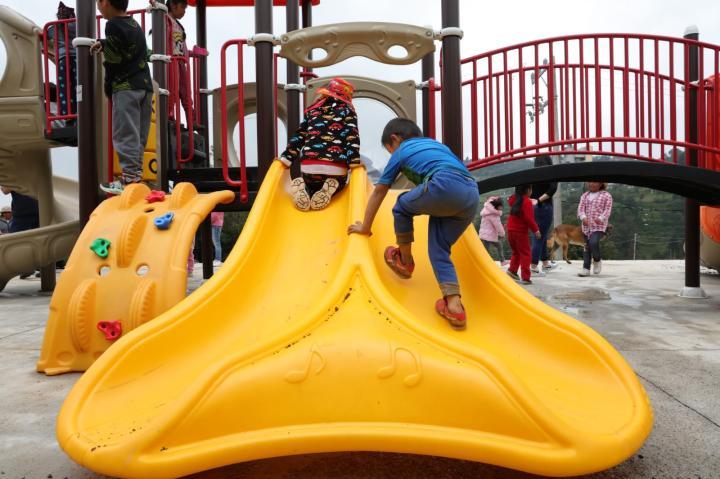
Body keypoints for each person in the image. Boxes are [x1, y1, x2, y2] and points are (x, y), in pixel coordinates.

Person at [347, 118, 480, 331]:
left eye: (390, 150)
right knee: (439, 250)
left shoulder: (402, 150)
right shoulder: (438, 146)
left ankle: (405, 260)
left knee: (401, 206)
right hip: (471, 194)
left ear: (395, 139)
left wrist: (365, 226)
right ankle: (454, 307)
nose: (392, 154)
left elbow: (380, 190)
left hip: (443, 185)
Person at [92, 0, 154, 195]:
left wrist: (108, 85)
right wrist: (104, 43)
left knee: (125, 132)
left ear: (106, 3)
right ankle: (136, 175)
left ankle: (129, 178)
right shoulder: (134, 24)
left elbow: (113, 61)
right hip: (145, 86)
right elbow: (134, 50)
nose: (97, 6)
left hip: (125, 87)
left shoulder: (111, 25)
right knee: (139, 134)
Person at [277, 78, 359, 211]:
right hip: (336, 168)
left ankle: (306, 189)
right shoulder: (347, 111)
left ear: (325, 93)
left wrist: (286, 160)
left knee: (312, 183)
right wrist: (354, 163)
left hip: (309, 166)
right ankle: (331, 189)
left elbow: (299, 136)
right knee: (340, 182)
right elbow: (352, 138)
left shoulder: (312, 111)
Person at [47, 2, 77, 124]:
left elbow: (43, 36)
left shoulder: (53, 27)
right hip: (76, 58)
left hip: (62, 60)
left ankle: (66, 115)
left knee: (64, 88)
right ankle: (77, 112)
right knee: (76, 87)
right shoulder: (76, 25)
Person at [1, 187, 40, 279]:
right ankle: (33, 268)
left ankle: (29, 268)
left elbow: (5, 190)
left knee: (14, 242)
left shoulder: (14, 174)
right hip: (36, 208)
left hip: (24, 212)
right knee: (38, 240)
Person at [506, 185, 541, 285]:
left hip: (510, 230)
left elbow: (512, 201)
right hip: (520, 232)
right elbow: (529, 218)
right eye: (531, 189)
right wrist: (536, 230)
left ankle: (512, 271)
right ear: (528, 190)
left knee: (516, 252)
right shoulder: (526, 202)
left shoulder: (514, 200)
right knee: (526, 254)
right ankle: (525, 278)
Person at [529, 155, 558, 276]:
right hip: (544, 207)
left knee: (542, 235)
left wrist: (533, 201)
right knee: (539, 237)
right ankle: (534, 266)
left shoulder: (532, 174)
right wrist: (539, 200)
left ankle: (546, 263)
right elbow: (552, 190)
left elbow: (527, 190)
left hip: (533, 208)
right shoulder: (551, 173)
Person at [577, 182, 613, 277]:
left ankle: (597, 260)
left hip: (599, 226)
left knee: (593, 242)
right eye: (589, 182)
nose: (591, 184)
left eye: (594, 182)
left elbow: (607, 210)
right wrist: (583, 217)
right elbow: (580, 209)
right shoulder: (585, 195)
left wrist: (601, 218)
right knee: (586, 247)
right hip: (586, 226)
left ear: (601, 183)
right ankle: (586, 269)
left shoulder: (606, 196)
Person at [478, 196, 508, 266]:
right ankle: (501, 261)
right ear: (497, 206)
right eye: (501, 206)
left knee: (487, 249)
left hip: (484, 234)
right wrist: (502, 234)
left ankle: (486, 263)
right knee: (498, 246)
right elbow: (498, 226)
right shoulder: (494, 214)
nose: (502, 208)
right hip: (489, 235)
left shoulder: (486, 210)